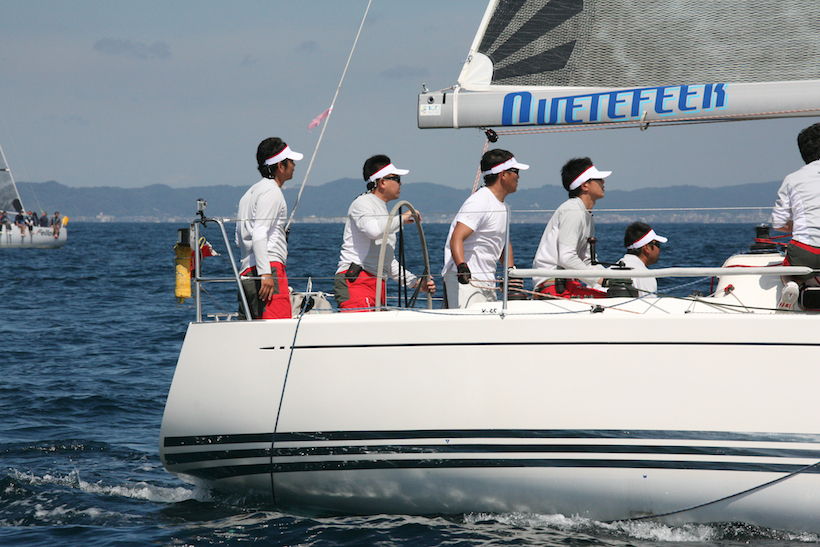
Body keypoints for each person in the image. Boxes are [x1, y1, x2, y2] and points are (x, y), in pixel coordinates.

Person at [334, 155, 435, 311]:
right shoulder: (363, 202)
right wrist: (402, 218)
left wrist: (415, 283)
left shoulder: (382, 209)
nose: (400, 183)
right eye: (397, 179)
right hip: (357, 281)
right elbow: (373, 230)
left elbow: (387, 260)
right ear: (382, 182)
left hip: (376, 283)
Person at [442, 149, 527, 308]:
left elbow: (504, 242)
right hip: (466, 281)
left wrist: (510, 272)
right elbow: (457, 237)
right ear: (503, 174)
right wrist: (462, 267)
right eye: (515, 171)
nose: (518, 176)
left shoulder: (504, 207)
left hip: (488, 280)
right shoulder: (480, 201)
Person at [235, 137, 302, 320]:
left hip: (247, 271)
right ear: (280, 166)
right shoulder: (272, 192)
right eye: (291, 161)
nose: (294, 165)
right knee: (277, 327)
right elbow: (259, 233)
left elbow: (239, 239)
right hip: (268, 268)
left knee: (252, 328)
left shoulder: (249, 194)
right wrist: (265, 273)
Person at [532, 157, 610, 298]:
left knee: (615, 295)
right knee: (611, 299)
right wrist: (602, 281)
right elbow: (567, 258)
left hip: (566, 283)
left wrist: (611, 278)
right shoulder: (573, 210)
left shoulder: (585, 214)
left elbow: (587, 261)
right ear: (585, 185)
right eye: (598, 179)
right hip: (554, 285)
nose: (603, 182)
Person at [771, 122, 820, 310]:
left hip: (804, 252)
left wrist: (801, 224)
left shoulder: (792, 179)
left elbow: (778, 224)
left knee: (787, 269)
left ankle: (792, 284)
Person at [613, 222, 668, 294]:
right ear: (647, 248)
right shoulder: (646, 276)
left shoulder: (610, 271)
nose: (659, 249)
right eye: (657, 244)